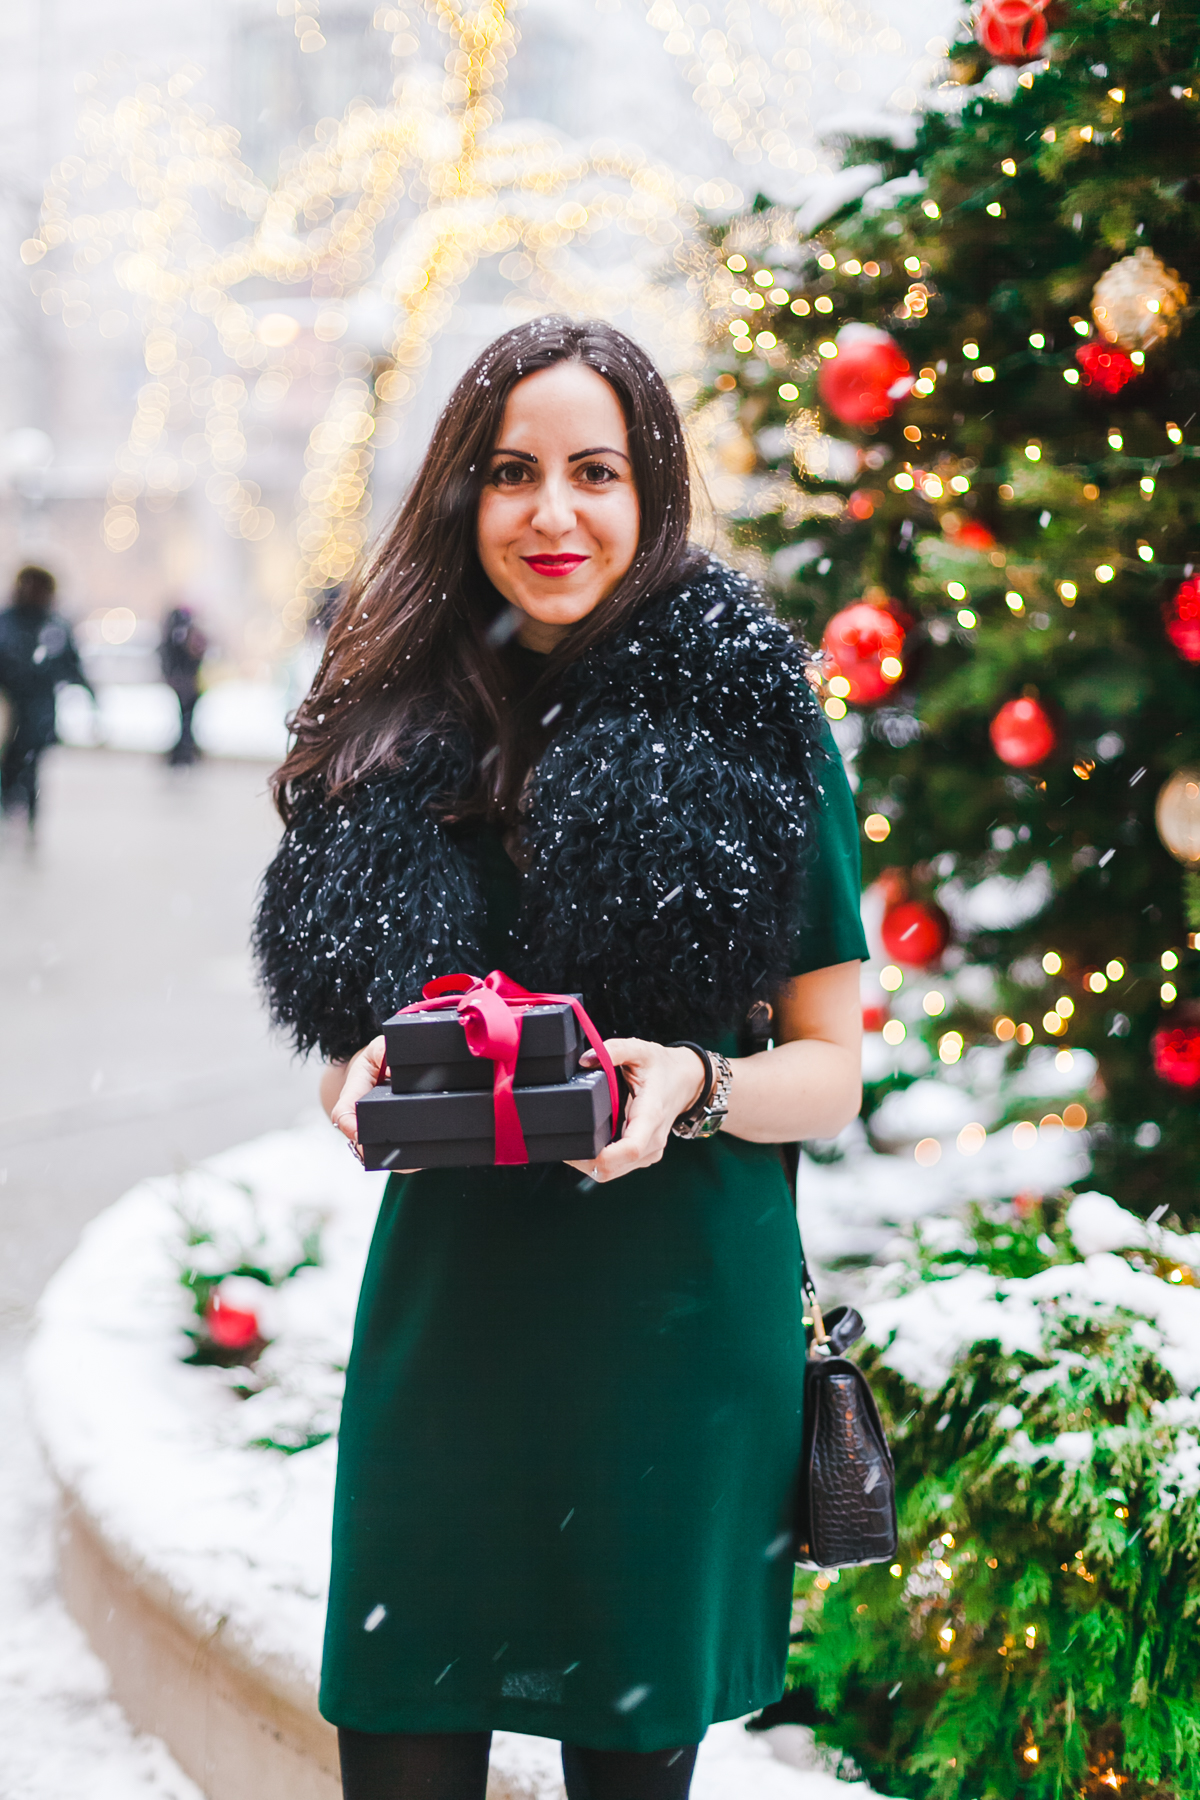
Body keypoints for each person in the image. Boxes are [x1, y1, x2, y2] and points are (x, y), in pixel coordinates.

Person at [253, 317, 867, 1800]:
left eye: (596, 471)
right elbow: (362, 1020)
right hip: (454, 1322)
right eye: (512, 471)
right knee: (398, 1732)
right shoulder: (399, 718)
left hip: (666, 1326)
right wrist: (347, 1075)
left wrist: (698, 1088)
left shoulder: (751, 716)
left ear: (650, 492)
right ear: (463, 494)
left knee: (626, 1768)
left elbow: (832, 1071)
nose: (552, 513)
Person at [0, 565, 94, 828]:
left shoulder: (54, 625)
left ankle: (29, 816)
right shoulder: (7, 621)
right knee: (11, 764)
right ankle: (12, 807)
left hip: (39, 712)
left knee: (32, 766)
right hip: (10, 711)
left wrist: (91, 697)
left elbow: (71, 664)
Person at [158, 604, 207, 766]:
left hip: (186, 686)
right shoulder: (184, 635)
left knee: (185, 721)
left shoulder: (174, 635)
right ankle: (184, 752)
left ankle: (184, 752)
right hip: (187, 686)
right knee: (185, 721)